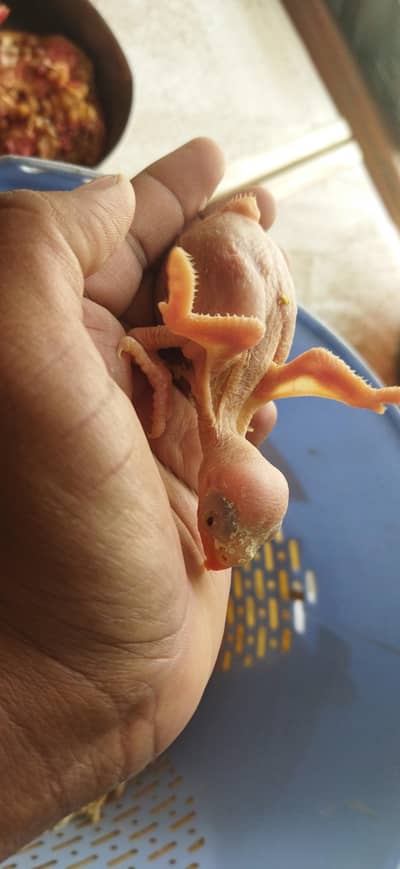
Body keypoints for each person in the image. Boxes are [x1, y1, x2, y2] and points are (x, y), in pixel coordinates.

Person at [0, 137, 279, 859]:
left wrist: (70, 691)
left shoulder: (225, 411)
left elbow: (161, 346)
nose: (212, 552)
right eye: (219, 523)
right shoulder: (227, 400)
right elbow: (158, 340)